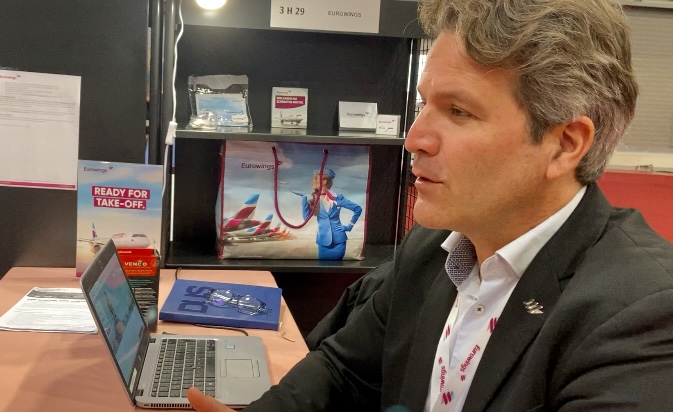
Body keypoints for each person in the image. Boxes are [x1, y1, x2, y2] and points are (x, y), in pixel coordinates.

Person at [188, 0, 673, 410]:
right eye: (424, 105)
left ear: (565, 144)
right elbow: (344, 370)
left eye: (459, 111)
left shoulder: (641, 316)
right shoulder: (434, 249)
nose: (414, 138)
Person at [301, 168, 362, 260]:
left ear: (324, 181)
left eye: (315, 178)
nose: (312, 181)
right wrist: (304, 199)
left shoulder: (338, 198)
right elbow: (306, 218)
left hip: (339, 240)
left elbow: (357, 209)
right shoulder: (314, 199)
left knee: (338, 265)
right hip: (323, 241)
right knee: (322, 265)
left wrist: (349, 226)